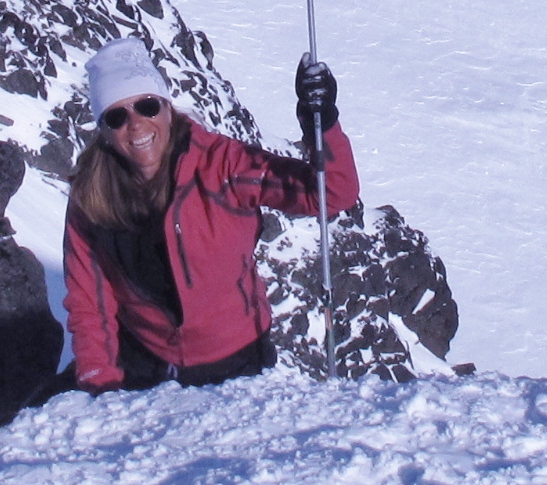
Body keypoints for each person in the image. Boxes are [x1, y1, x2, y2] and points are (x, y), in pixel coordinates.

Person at [62, 35, 356, 392]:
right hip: (144, 367)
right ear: (105, 132)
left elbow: (329, 194)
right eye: (117, 116)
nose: (136, 125)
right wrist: (99, 382)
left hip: (238, 364)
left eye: (147, 106)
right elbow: (89, 299)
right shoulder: (92, 194)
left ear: (168, 108)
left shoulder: (222, 165)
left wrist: (321, 127)